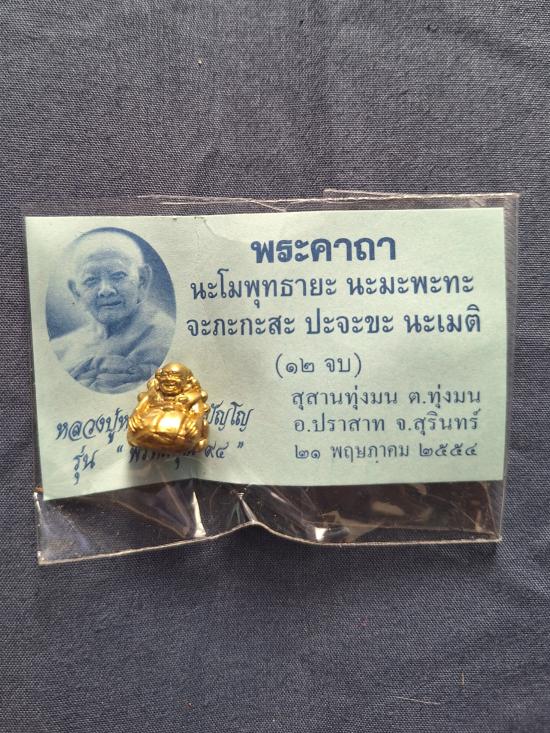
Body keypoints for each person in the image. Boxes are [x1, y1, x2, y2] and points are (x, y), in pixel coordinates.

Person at [51, 228, 175, 393]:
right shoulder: (59, 349)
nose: (105, 290)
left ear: (142, 280)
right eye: (91, 279)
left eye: (118, 275)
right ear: (76, 291)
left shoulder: (163, 340)